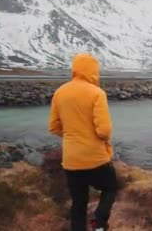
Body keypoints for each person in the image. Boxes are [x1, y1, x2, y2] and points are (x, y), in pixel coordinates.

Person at [49, 53, 117, 231]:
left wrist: (73, 135)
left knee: (78, 203)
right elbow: (104, 130)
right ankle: (99, 223)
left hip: (71, 160)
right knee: (110, 188)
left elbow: (54, 127)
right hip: (95, 157)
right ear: (93, 71)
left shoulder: (60, 92)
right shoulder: (97, 93)